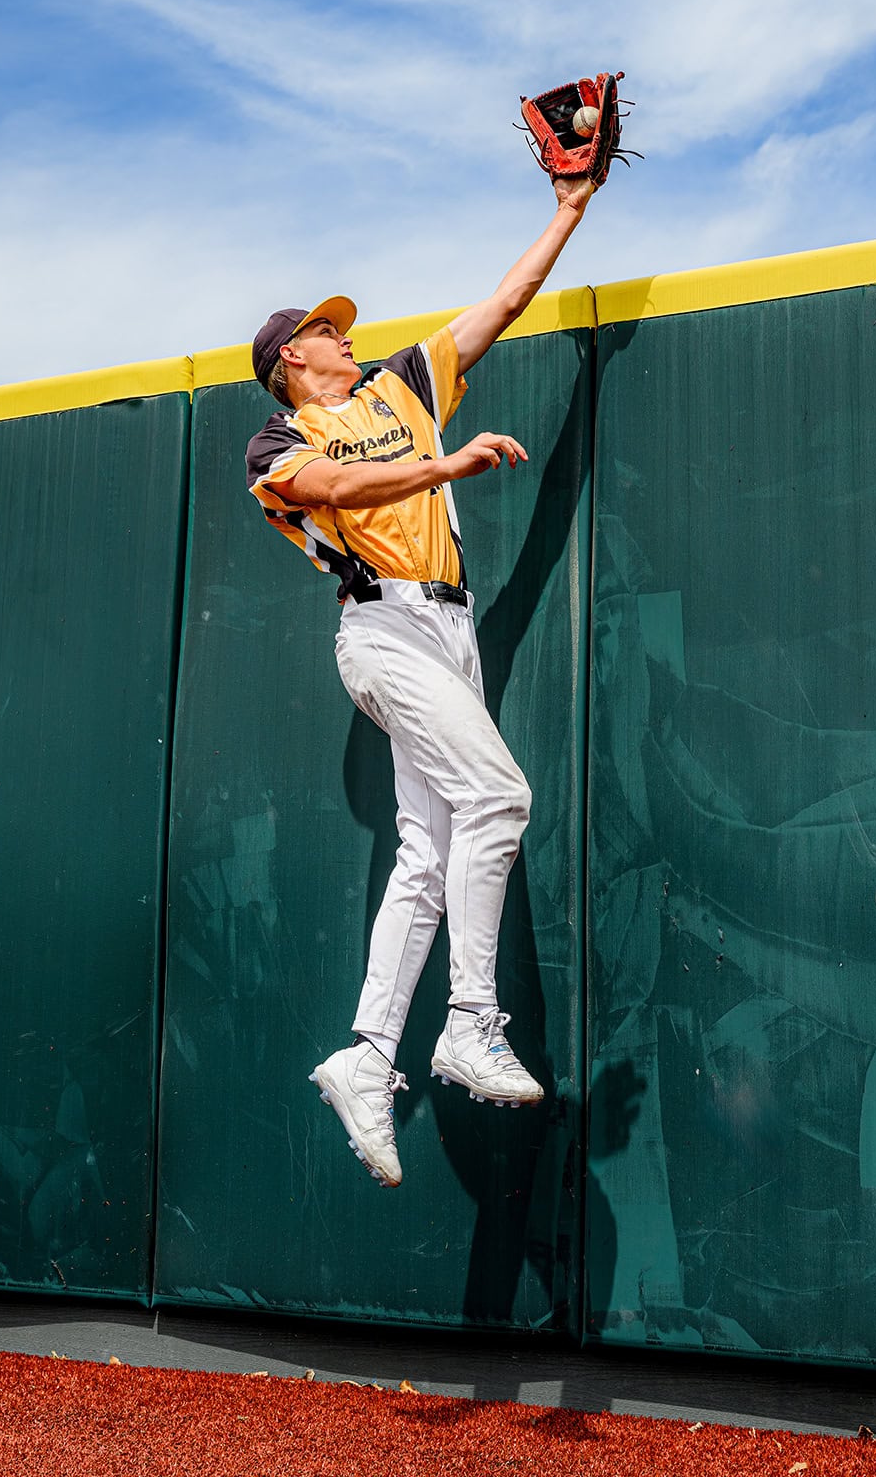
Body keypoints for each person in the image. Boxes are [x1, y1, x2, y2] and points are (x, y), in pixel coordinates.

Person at [244, 173, 597, 1188]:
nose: (343, 333)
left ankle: (365, 1056)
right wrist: (443, 470)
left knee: (429, 848)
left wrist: (570, 208)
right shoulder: (283, 437)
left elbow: (504, 304)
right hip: (384, 628)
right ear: (287, 360)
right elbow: (337, 488)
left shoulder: (401, 384)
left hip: (452, 626)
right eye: (323, 328)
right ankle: (470, 1021)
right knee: (500, 795)